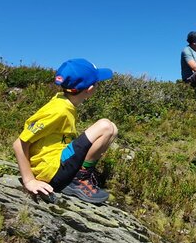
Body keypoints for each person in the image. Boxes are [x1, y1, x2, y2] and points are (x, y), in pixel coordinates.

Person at [12, 58, 118, 204]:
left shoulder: (64, 102)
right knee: (105, 126)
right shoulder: (58, 110)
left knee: (112, 128)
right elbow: (19, 144)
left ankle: (81, 174)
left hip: (59, 160)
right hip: (52, 172)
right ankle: (78, 180)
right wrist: (29, 180)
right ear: (90, 89)